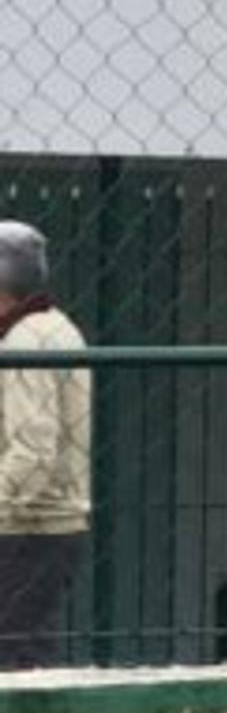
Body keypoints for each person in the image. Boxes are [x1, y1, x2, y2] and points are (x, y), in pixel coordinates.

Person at [0, 221, 92, 670]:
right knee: (28, 644)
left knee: (15, 655)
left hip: (25, 526)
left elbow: (32, 451)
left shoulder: (23, 343)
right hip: (49, 525)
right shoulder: (56, 327)